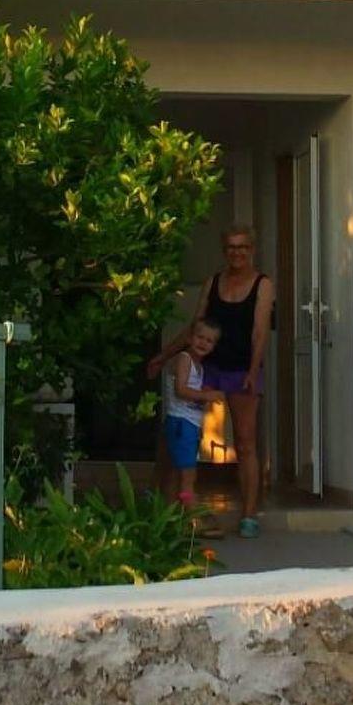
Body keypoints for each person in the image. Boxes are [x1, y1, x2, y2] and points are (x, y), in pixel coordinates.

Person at [149, 226, 274, 538]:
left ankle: (249, 515)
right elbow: (196, 327)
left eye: (242, 247)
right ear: (224, 250)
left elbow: (260, 332)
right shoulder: (214, 282)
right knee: (177, 431)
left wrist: (252, 371)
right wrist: (164, 356)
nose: (237, 252)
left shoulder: (263, 284)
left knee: (245, 442)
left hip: (241, 370)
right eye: (231, 247)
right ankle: (164, 509)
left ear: (252, 249)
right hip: (206, 368)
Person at [159, 319, 224, 512]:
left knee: (176, 474)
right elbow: (180, 390)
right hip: (182, 423)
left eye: (209, 341)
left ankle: (171, 515)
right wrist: (206, 395)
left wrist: (203, 397)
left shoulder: (199, 366)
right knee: (188, 477)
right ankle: (191, 517)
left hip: (188, 424)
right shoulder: (184, 359)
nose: (203, 343)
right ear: (189, 338)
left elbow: (191, 395)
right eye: (200, 337)